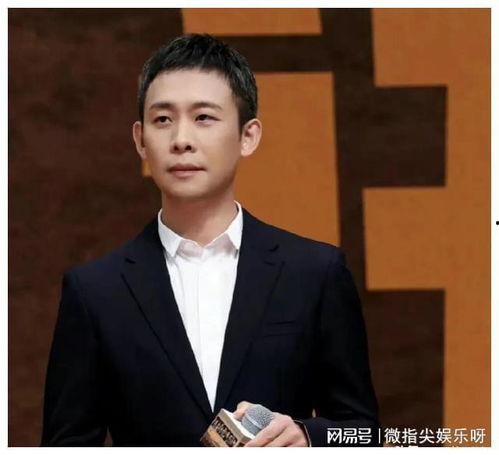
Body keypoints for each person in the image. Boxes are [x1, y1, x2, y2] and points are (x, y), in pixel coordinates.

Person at [41, 33, 380, 447]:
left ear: (248, 136)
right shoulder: (95, 291)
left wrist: (307, 436)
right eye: (163, 120)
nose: (181, 139)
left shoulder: (314, 273)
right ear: (140, 140)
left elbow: (363, 431)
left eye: (203, 117)